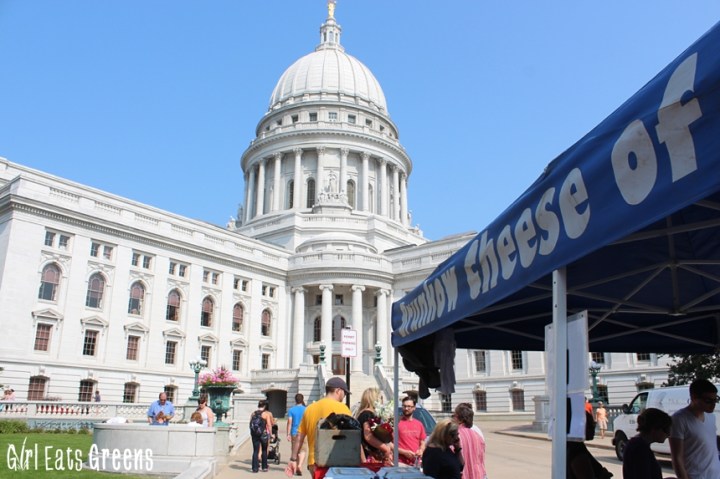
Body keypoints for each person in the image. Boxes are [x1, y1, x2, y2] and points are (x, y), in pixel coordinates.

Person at [286, 377, 352, 477]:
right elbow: (351, 436)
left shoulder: (309, 409)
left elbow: (300, 437)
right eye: (345, 393)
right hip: (336, 459)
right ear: (338, 391)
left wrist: (293, 459)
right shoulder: (343, 408)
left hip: (314, 461)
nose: (344, 396)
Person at [669, 378, 720, 479]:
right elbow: (677, 458)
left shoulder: (711, 417)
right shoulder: (679, 419)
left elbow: (707, 443)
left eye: (716, 400)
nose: (713, 404)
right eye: (708, 401)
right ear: (694, 398)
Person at [622, 408, 672, 479]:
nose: (668, 434)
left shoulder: (637, 445)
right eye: (666, 430)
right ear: (654, 429)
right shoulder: (640, 449)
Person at [355, 387, 393, 464]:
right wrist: (385, 449)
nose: (382, 400)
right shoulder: (367, 414)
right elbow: (368, 436)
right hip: (369, 456)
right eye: (380, 398)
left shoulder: (364, 413)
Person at [452, 402, 486, 479]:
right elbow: (481, 460)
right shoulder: (478, 435)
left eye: (453, 416)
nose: (452, 418)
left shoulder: (455, 435)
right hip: (478, 475)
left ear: (458, 418)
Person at [397, 395, 426, 466]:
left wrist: (421, 450)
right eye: (404, 406)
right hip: (400, 463)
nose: (406, 408)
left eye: (409, 406)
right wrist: (404, 452)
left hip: (416, 463)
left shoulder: (419, 424)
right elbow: (390, 445)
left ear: (414, 408)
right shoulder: (396, 423)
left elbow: (422, 443)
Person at [250, 399, 274, 473]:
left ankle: (254, 468)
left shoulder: (253, 413)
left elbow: (251, 424)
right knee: (264, 450)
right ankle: (264, 467)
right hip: (263, 434)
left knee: (255, 450)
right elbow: (269, 425)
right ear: (264, 406)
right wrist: (271, 434)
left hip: (255, 434)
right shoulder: (266, 414)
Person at [286, 393, 307, 475]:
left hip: (294, 432)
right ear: (302, 399)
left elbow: (290, 422)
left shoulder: (291, 410)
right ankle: (300, 465)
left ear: (295, 400)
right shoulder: (306, 409)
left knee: (295, 449)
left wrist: (288, 434)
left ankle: (296, 464)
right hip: (304, 432)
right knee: (303, 450)